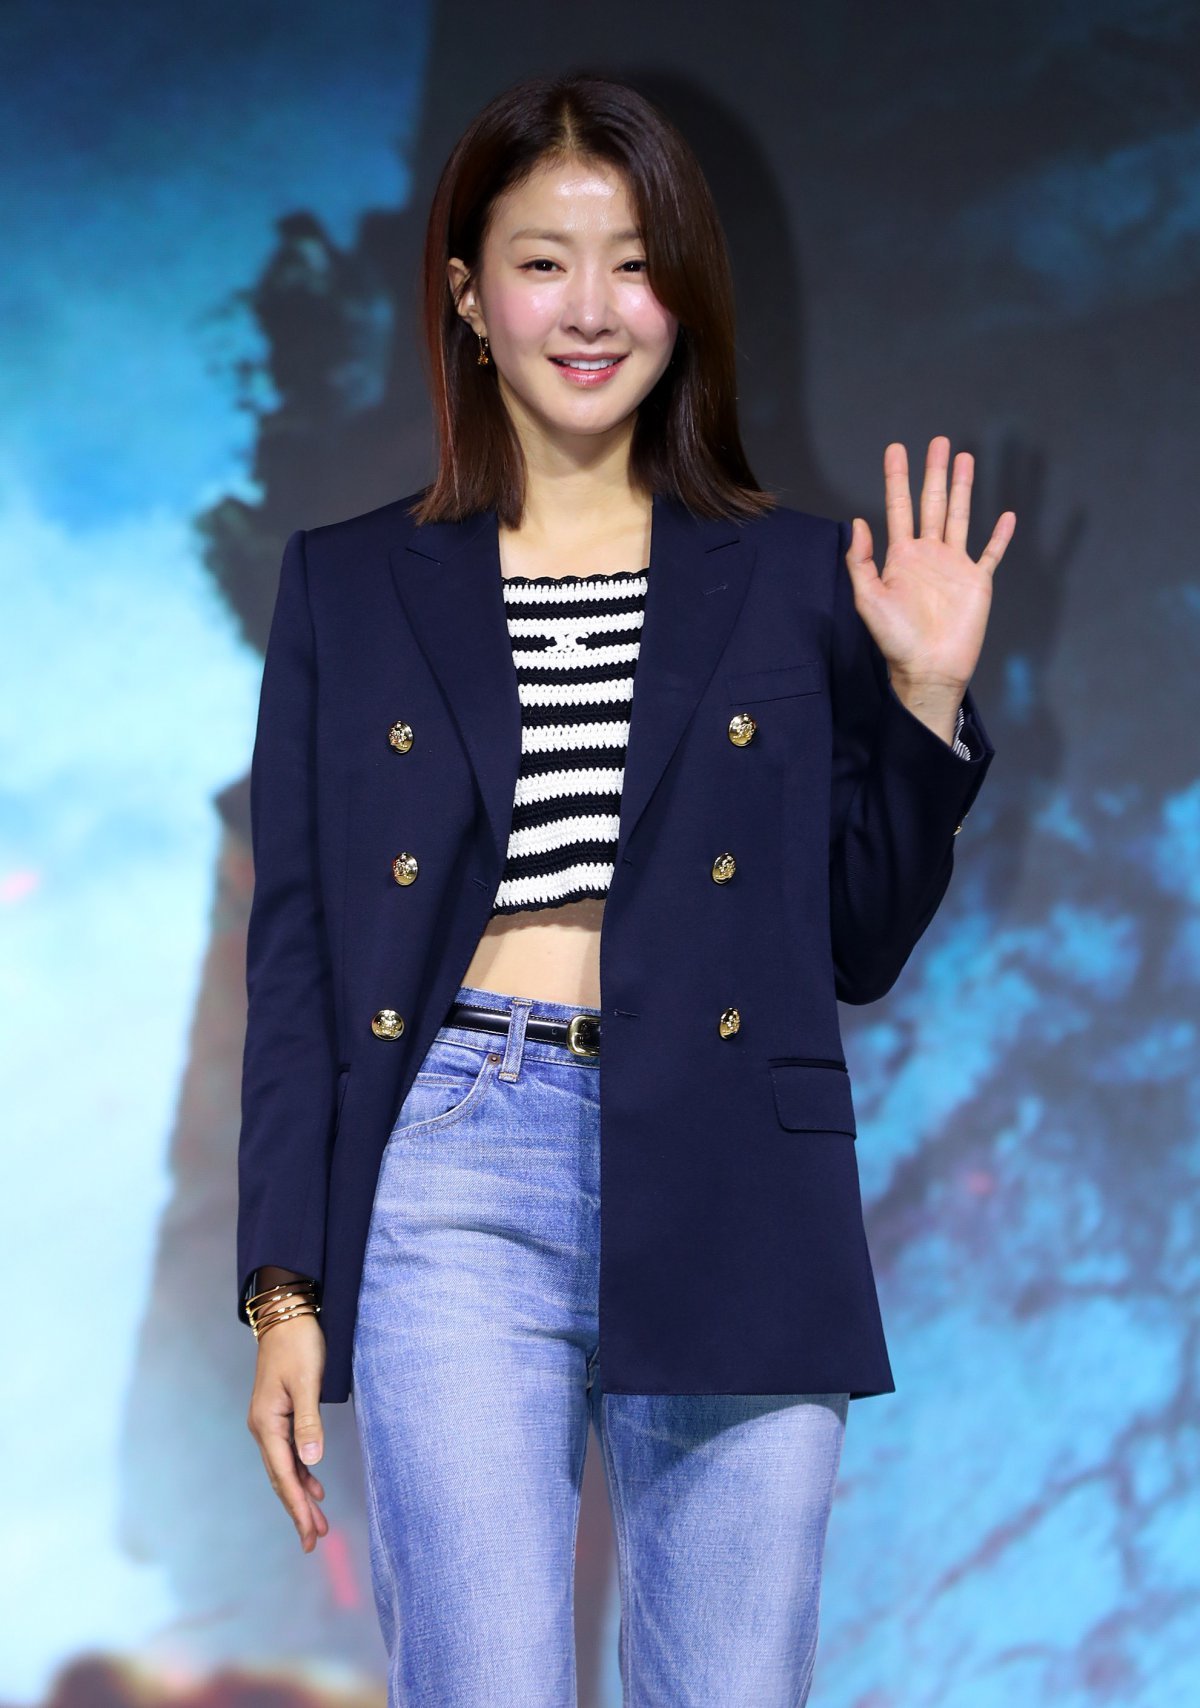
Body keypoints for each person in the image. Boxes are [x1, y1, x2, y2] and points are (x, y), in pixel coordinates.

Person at [237, 69, 1012, 1706]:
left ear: (686, 296)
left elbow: (859, 942)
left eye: (637, 262)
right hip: (453, 1160)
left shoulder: (800, 577)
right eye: (543, 262)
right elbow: (298, 959)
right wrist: (286, 1289)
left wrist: (927, 699)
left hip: (735, 1167)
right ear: (468, 295)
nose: (591, 309)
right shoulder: (350, 584)